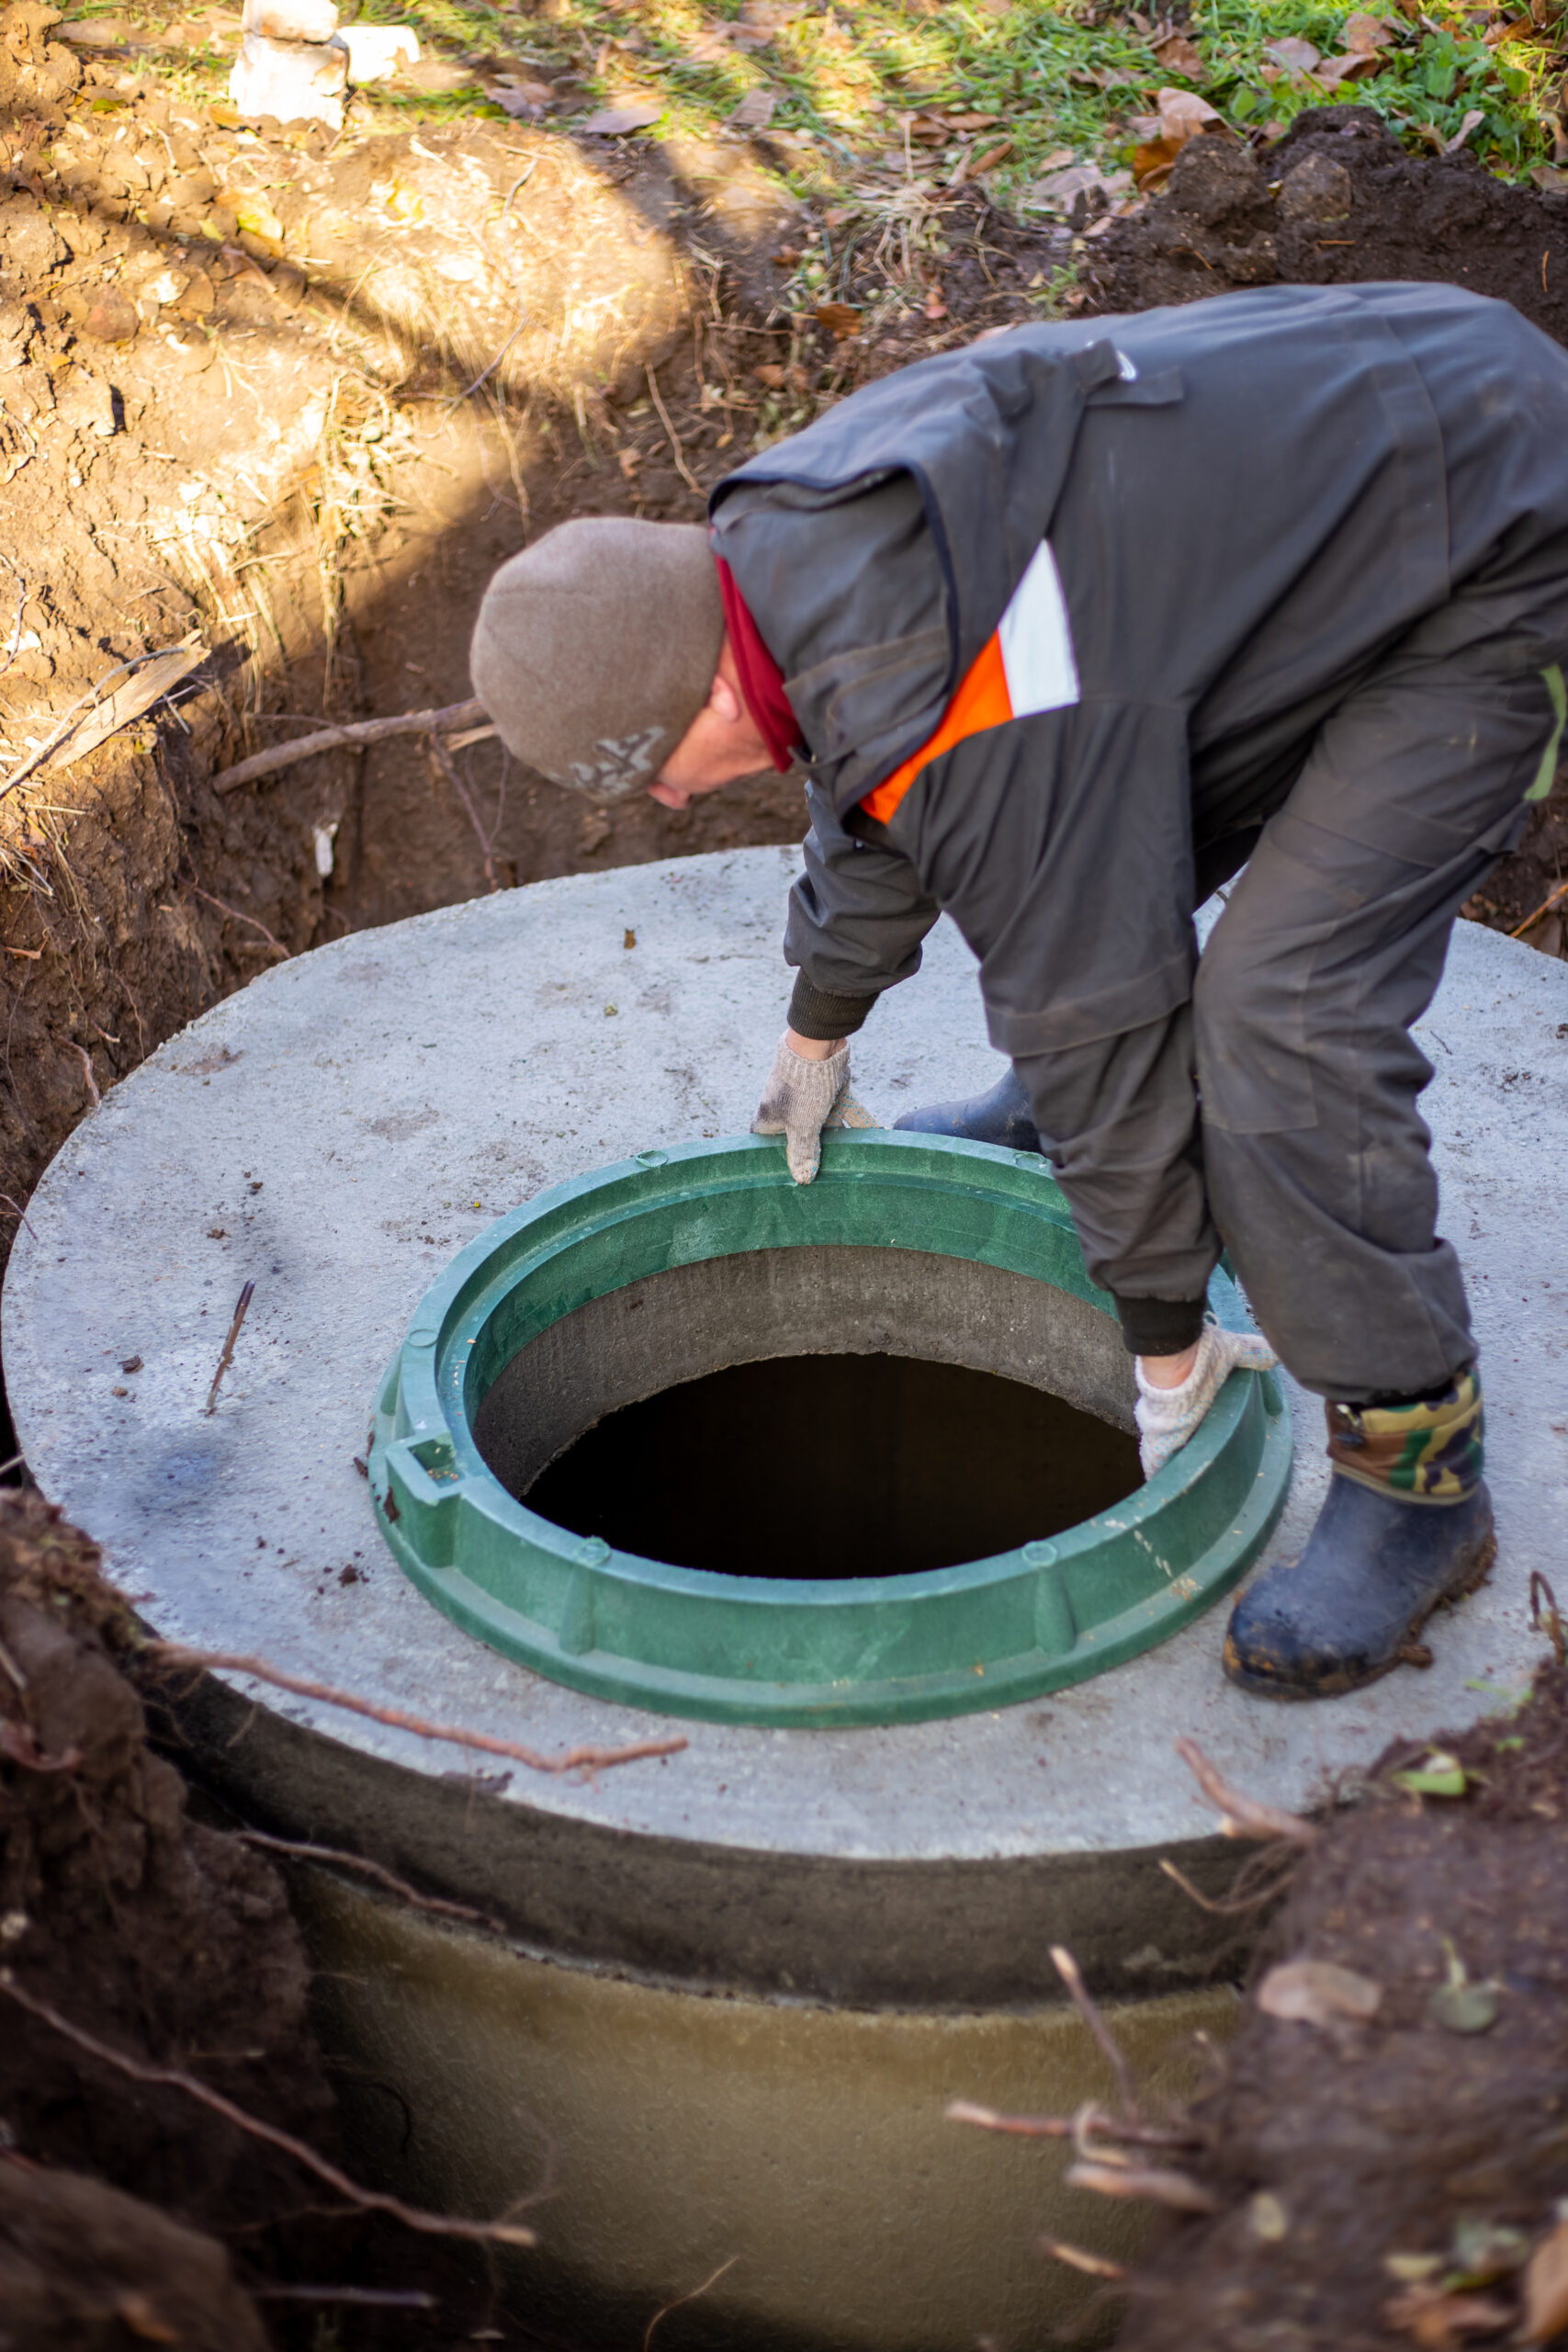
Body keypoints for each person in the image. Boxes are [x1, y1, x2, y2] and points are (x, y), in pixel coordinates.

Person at [470, 279, 1568, 1702]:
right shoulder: (788, 542)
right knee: (1094, 831)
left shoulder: (956, 694)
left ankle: (1420, 1481)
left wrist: (1162, 1347)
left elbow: (1094, 1003)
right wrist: (819, 1030)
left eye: (657, 772)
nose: (673, 802)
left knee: (1280, 1021)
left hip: (1494, 546)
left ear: (710, 692)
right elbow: (876, 783)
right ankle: (1048, 1122)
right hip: (1369, 443)